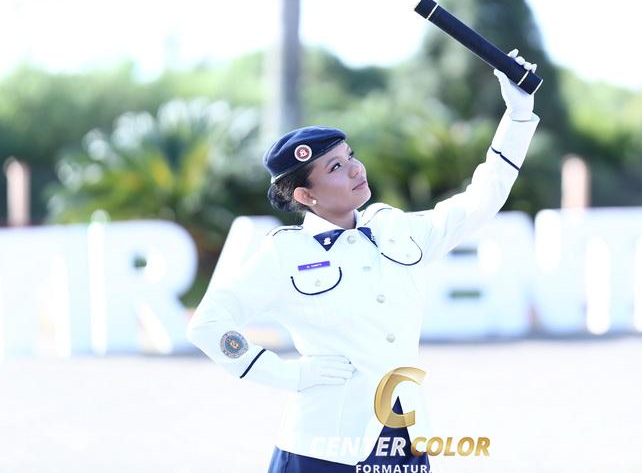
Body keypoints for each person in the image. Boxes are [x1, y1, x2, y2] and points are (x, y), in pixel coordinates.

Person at [186, 49, 541, 472]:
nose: (356, 169)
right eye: (336, 167)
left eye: (351, 155)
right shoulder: (285, 253)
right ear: (305, 195)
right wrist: (289, 375)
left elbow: (483, 197)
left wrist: (518, 116)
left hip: (404, 442)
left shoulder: (397, 229)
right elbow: (208, 325)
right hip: (322, 449)